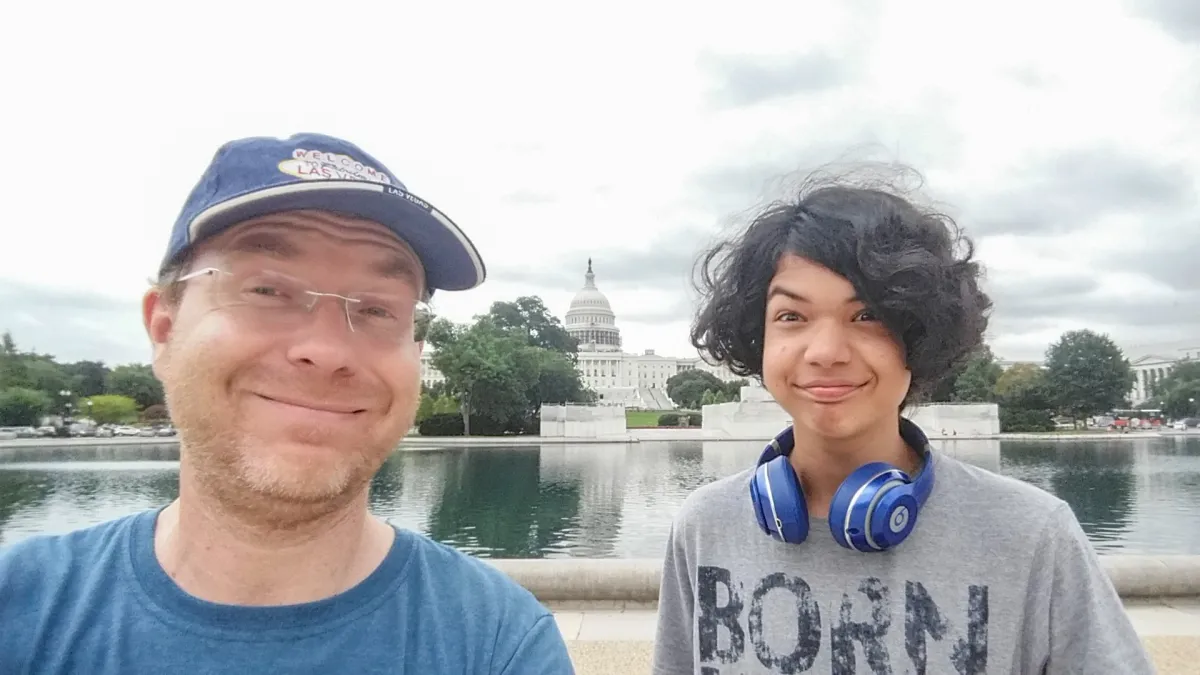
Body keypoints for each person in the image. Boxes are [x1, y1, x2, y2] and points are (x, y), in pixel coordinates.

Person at [0, 132, 575, 674]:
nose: (326, 351)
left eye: (378, 309)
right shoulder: (17, 612)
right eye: (268, 290)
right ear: (164, 328)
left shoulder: (499, 643)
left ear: (416, 351)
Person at [651, 166, 1155, 674]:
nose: (825, 352)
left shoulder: (1033, 537)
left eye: (866, 316)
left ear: (919, 336)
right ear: (758, 341)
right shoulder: (704, 527)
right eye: (791, 317)